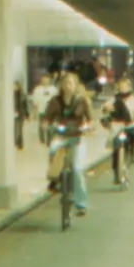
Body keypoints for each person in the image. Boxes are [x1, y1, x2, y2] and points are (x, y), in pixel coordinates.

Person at [42, 69, 94, 215]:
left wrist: (87, 127)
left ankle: (81, 203)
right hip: (61, 136)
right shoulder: (55, 101)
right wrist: (46, 125)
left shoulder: (82, 100)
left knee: (77, 169)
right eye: (65, 83)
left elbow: (90, 119)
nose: (68, 86)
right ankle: (55, 179)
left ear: (75, 85)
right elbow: (46, 118)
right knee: (53, 149)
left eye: (70, 83)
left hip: (78, 137)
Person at [105, 76, 134, 179]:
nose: (123, 89)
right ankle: (116, 172)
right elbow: (105, 107)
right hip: (117, 127)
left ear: (129, 88)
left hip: (130, 125)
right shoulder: (114, 100)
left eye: (125, 87)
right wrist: (106, 109)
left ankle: (132, 152)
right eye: (121, 87)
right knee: (116, 147)